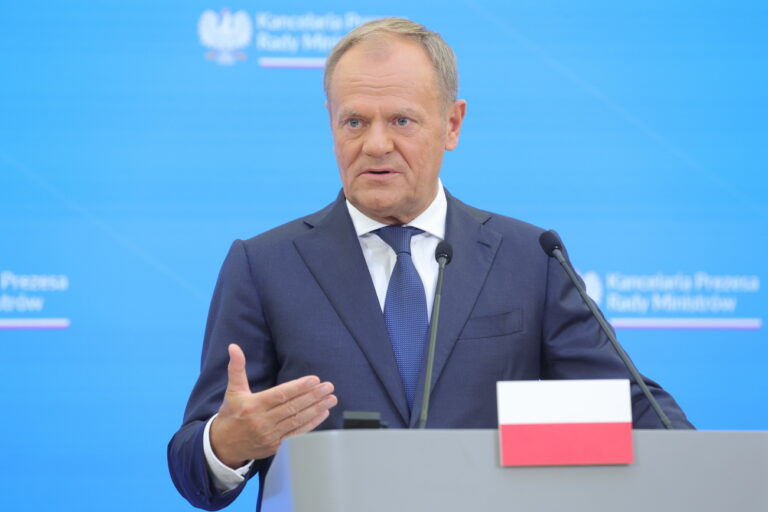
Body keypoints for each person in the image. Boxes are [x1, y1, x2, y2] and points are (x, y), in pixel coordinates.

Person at [168, 17, 693, 511]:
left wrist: (711, 471)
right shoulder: (264, 265)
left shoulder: (529, 258)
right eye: (355, 121)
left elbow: (632, 409)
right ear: (331, 123)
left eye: (401, 120)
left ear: (452, 124)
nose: (376, 143)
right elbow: (193, 466)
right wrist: (229, 442)